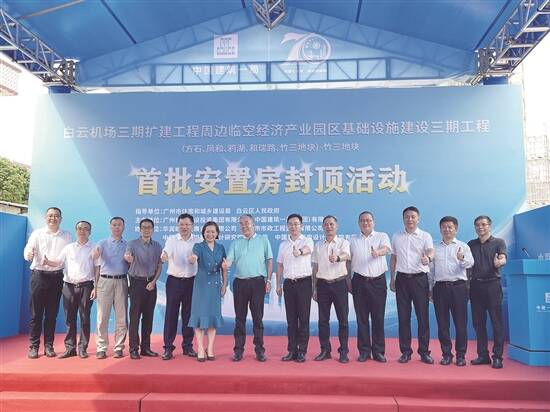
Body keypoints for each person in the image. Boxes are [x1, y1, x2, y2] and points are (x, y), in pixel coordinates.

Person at [23, 207, 72, 359]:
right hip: (39, 276)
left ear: (61, 219)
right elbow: (28, 249)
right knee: (36, 314)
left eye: (56, 216)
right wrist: (29, 254)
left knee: (51, 314)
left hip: (57, 277)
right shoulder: (37, 234)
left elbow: (67, 257)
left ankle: (49, 346)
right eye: (50, 215)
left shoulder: (67, 236)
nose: (53, 218)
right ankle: (34, 346)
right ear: (46, 218)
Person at [224, 214, 273, 362]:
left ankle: (259, 350)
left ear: (253, 224)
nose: (244, 225)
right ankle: (238, 350)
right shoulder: (236, 242)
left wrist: (268, 280)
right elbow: (229, 260)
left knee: (258, 318)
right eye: (241, 223)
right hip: (240, 283)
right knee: (240, 318)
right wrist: (226, 264)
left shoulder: (263, 240)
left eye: (246, 223)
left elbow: (269, 260)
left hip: (258, 283)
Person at [44, 221, 96, 359]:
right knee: (69, 318)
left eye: (85, 229)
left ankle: (83, 348)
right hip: (69, 286)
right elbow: (59, 262)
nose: (82, 231)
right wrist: (47, 262)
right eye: (79, 228)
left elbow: (98, 268)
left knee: (84, 318)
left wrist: (96, 287)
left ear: (90, 232)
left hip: (86, 286)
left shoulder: (94, 248)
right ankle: (70, 348)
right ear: (76, 231)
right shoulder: (69, 248)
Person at [390, 206, 434, 364]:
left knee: (422, 317)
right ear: (403, 219)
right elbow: (394, 257)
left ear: (418, 219)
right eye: (407, 216)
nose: (410, 219)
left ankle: (424, 352)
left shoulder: (425, 235)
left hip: (419, 279)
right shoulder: (396, 236)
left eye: (413, 216)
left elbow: (431, 251)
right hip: (402, 279)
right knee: (403, 317)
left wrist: (428, 258)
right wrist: (392, 278)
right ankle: (405, 352)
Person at [429, 216, 474, 367]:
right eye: (444, 227)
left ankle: (460, 355)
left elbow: (470, 263)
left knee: (460, 323)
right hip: (440, 288)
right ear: (440, 229)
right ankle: (446, 354)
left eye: (450, 227)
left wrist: (461, 258)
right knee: (442, 324)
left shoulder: (462, 246)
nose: (447, 229)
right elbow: (431, 270)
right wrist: (430, 288)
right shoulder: (434, 247)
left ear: (456, 229)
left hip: (458, 287)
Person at [348, 211, 391, 363]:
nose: (365, 223)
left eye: (368, 220)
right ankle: (364, 351)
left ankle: (378, 351)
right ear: (358, 223)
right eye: (362, 220)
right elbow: (348, 262)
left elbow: (387, 249)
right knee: (362, 318)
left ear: (373, 222)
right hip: (359, 281)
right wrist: (348, 280)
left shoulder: (381, 236)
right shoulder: (352, 240)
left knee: (378, 317)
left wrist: (378, 252)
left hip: (378, 282)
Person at [467, 215, 507, 369]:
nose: (480, 227)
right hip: (475, 286)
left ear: (490, 226)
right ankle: (483, 355)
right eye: (477, 225)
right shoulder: (471, 244)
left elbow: (503, 258)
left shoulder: (499, 242)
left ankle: (497, 357)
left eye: (483, 224)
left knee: (496, 322)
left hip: (493, 285)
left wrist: (500, 262)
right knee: (478, 323)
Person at [160, 213, 200, 360]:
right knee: (171, 314)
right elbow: (166, 252)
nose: (184, 227)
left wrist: (196, 257)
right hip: (174, 281)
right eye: (182, 224)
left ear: (192, 226)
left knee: (188, 315)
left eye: (187, 224)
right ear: (178, 225)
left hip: (191, 281)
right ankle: (168, 347)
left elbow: (200, 253)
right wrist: (164, 256)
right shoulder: (172, 240)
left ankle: (187, 346)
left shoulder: (198, 240)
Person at [275, 214, 314, 363]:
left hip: (304, 283)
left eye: (296, 224)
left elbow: (308, 249)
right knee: (291, 320)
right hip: (289, 284)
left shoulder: (307, 240)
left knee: (303, 318)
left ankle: (302, 351)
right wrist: (278, 284)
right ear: (287, 226)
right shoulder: (283, 245)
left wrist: (300, 252)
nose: (293, 226)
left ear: (301, 226)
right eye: (290, 224)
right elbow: (280, 265)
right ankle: (292, 350)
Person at [312, 215, 351, 363]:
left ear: (337, 226)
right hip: (322, 285)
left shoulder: (343, 242)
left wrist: (338, 258)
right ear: (323, 227)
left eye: (331, 224)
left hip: (339, 284)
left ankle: (343, 351)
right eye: (326, 224)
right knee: (323, 320)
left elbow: (347, 255)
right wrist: (314, 288)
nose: (329, 227)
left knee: (343, 320)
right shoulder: (318, 245)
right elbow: (315, 267)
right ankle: (325, 350)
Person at [188, 221, 228, 362]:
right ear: (203, 233)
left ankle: (210, 348)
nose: (210, 234)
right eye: (207, 231)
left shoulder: (221, 248)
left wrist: (225, 284)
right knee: (199, 316)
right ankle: (200, 348)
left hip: (215, 285)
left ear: (217, 233)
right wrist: (192, 259)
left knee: (212, 318)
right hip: (201, 284)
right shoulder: (198, 246)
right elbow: (194, 257)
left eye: (213, 231)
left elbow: (224, 267)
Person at [91, 217, 129, 359]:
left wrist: (131, 260)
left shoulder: (128, 245)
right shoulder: (102, 243)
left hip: (122, 281)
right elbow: (94, 257)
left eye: (119, 225)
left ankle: (119, 347)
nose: (117, 227)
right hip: (105, 281)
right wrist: (95, 254)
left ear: (123, 227)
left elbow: (131, 264)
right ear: (110, 227)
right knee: (102, 317)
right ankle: (101, 347)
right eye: (114, 225)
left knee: (122, 317)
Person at [125, 218, 163, 360]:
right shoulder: (132, 244)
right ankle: (133, 348)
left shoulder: (157, 246)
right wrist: (128, 258)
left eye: (149, 227)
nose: (146, 229)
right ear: (140, 229)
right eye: (144, 227)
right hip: (136, 284)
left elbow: (159, 265)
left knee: (148, 318)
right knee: (134, 317)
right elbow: (127, 256)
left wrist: (154, 282)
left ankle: (146, 348)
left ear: (153, 229)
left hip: (151, 284)